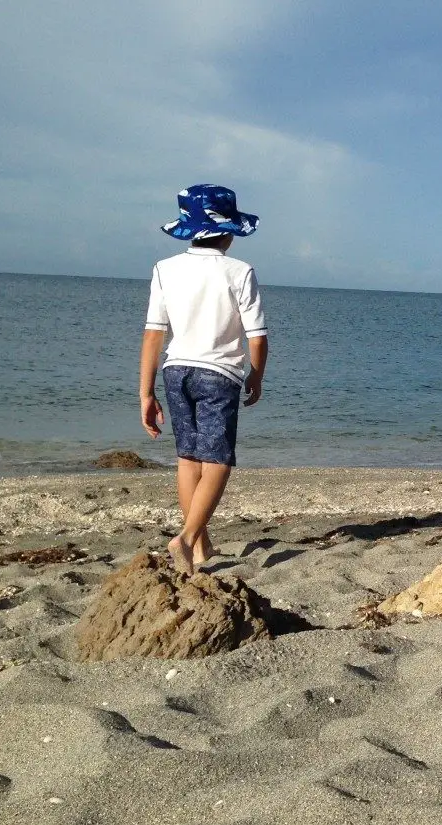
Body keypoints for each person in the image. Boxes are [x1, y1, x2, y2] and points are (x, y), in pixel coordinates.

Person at [138, 184, 268, 575]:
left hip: (175, 370)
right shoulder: (239, 271)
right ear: (228, 232)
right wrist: (257, 375)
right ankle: (187, 537)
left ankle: (200, 545)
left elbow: (153, 333)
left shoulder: (165, 268)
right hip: (218, 373)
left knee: (188, 457)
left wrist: (144, 392)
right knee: (219, 461)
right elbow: (256, 335)